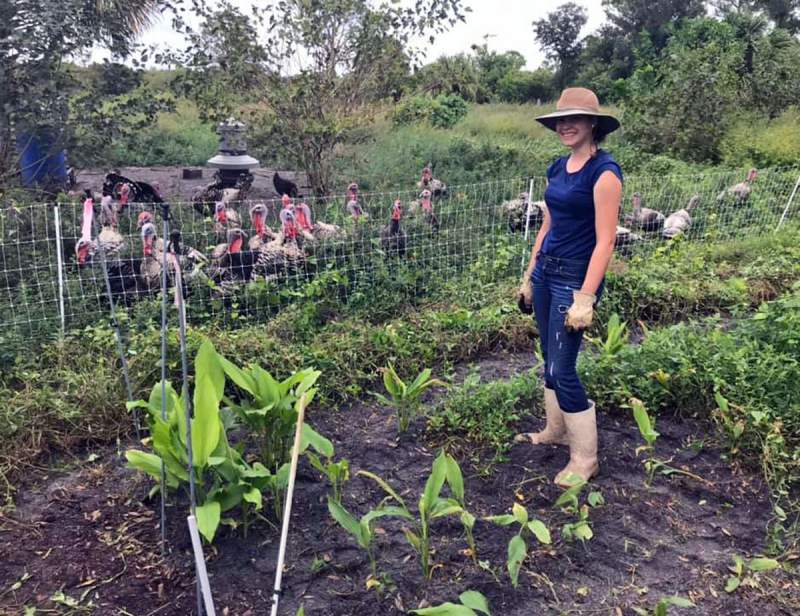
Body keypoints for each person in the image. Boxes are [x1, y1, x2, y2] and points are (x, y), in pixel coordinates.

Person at [515, 87, 623, 487]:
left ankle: (585, 458)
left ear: (593, 123)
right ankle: (556, 431)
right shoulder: (557, 169)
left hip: (574, 279)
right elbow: (548, 224)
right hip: (546, 273)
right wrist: (529, 275)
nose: (565, 125)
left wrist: (585, 297)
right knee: (549, 357)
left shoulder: (605, 173)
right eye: (560, 119)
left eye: (574, 118)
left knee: (564, 368)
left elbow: (605, 241)